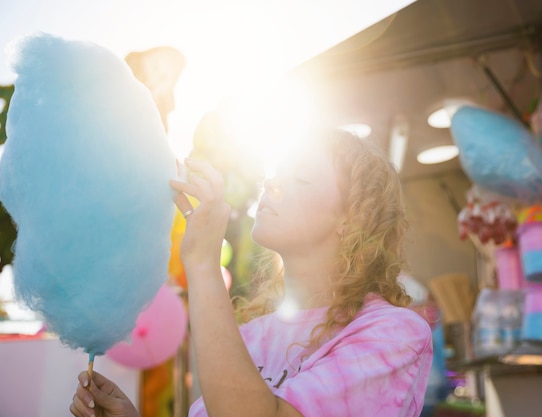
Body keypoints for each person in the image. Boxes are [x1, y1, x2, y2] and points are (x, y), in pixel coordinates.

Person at [70, 127, 433, 417]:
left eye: (302, 179)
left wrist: (202, 264)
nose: (271, 185)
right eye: (275, 176)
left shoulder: (394, 334)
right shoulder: (251, 333)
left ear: (353, 217)